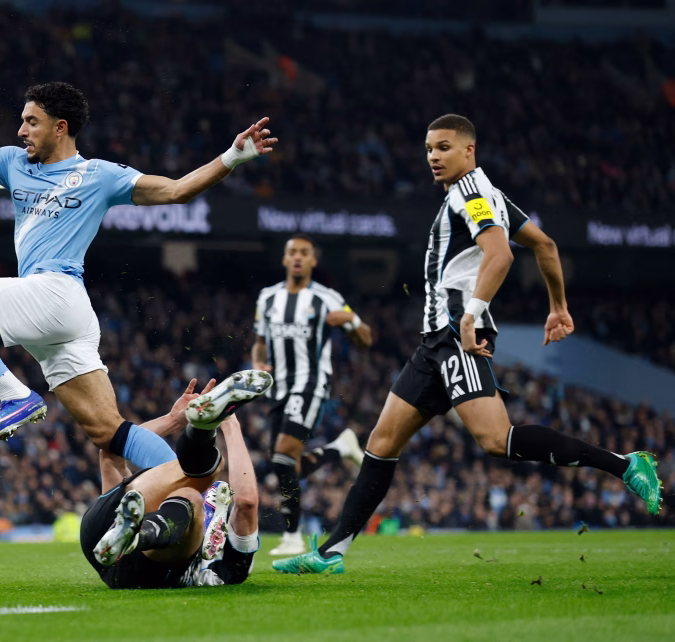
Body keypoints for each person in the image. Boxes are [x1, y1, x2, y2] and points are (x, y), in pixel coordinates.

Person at [273, 114, 662, 575]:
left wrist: (473, 314)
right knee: (380, 442)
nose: (433, 157)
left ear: (468, 150)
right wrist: (557, 305)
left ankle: (625, 464)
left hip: (459, 333)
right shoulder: (489, 194)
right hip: (435, 342)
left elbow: (500, 254)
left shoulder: (472, 194)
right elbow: (547, 246)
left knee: (496, 440)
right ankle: (332, 551)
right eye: (428, 149)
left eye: (442, 147)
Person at [0, 81, 276, 473]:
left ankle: (13, 395)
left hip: (55, 292)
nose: (21, 131)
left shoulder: (99, 175)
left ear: (60, 127)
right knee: (110, 433)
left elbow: (176, 191)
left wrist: (233, 155)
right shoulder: (12, 163)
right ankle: (203, 492)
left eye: (31, 122)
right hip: (66, 316)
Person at [82, 370, 270, 589]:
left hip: (115, 544)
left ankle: (204, 428)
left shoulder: (234, 567)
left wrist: (229, 422)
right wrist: (175, 420)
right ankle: (202, 427)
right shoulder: (194, 488)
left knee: (194, 487)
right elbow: (245, 501)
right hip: (122, 539)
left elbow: (246, 501)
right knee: (192, 479)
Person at [252, 234, 372, 555]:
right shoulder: (267, 298)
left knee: (281, 459)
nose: (298, 258)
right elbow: (259, 341)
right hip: (278, 389)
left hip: (310, 384)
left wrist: (353, 319)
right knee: (285, 465)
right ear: (284, 258)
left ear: (313, 261)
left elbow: (366, 340)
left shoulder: (327, 297)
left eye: (304, 253)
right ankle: (339, 448)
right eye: (292, 252)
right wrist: (257, 363)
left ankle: (292, 537)